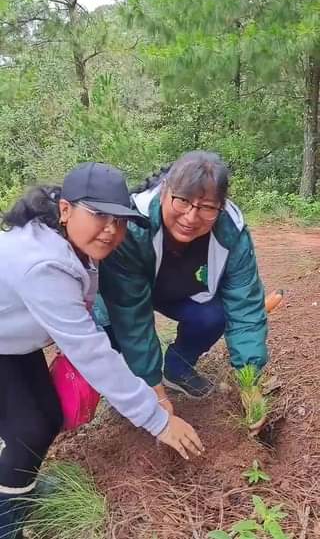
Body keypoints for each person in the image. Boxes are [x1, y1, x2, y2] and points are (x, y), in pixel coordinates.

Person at [0, 162, 203, 539]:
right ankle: (6, 522)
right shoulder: (44, 264)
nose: (111, 230)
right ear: (65, 210)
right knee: (26, 427)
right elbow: (91, 352)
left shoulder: (66, 240)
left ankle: (20, 492)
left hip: (11, 342)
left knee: (44, 416)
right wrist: (156, 419)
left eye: (119, 220)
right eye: (99, 215)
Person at [99, 151, 268, 414]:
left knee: (214, 315)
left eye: (207, 207)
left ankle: (177, 369)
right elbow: (131, 314)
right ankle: (132, 385)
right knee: (109, 326)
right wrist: (153, 389)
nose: (191, 217)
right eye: (182, 201)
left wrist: (250, 383)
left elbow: (244, 304)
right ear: (165, 191)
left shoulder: (231, 232)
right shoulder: (133, 227)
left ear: (220, 208)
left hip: (180, 291)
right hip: (127, 292)